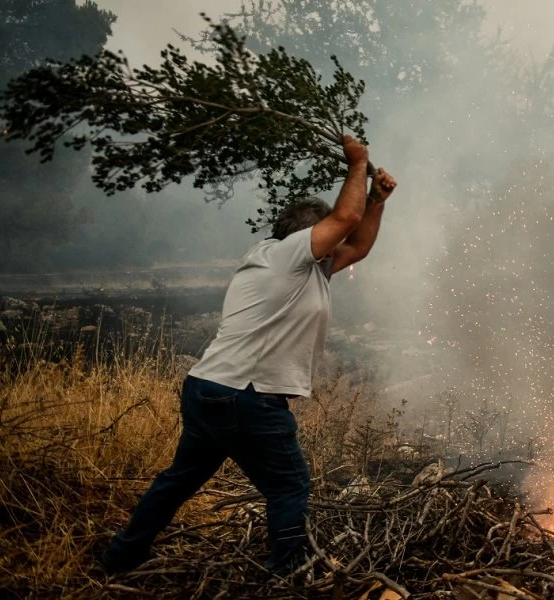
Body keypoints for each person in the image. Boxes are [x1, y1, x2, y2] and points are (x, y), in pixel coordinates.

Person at [100, 136, 398, 576]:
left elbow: (361, 243)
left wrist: (377, 199)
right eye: (330, 235)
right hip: (246, 395)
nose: (339, 242)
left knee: (178, 481)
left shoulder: (300, 265)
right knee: (289, 484)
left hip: (210, 389)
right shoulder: (289, 256)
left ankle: (119, 558)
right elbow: (345, 217)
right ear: (307, 235)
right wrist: (359, 163)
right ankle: (289, 575)